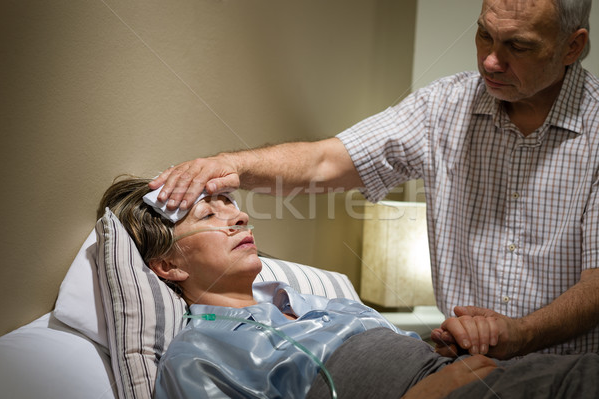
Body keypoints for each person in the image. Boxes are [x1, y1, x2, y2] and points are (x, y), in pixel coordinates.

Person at [148, 0, 599, 359]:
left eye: (517, 46)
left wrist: (519, 335)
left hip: (570, 367)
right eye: (484, 34)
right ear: (167, 267)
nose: (491, 61)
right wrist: (233, 165)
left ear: (572, 46)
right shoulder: (443, 106)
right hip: (461, 362)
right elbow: (325, 162)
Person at [98, 176, 599, 399]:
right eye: (210, 213)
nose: (239, 214)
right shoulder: (198, 355)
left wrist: (436, 345)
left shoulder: (318, 302)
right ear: (167, 267)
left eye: (231, 202)